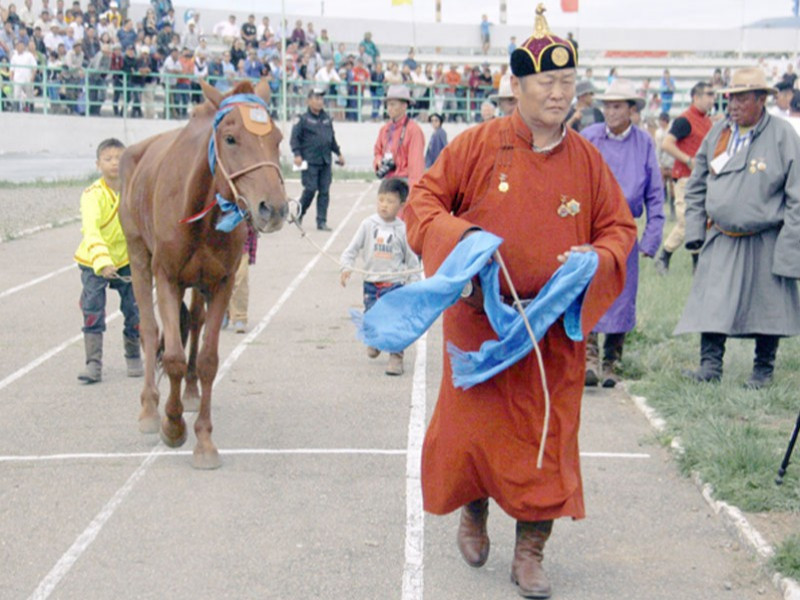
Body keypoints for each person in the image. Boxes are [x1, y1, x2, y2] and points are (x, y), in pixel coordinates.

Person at [402, 6, 636, 598]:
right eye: (546, 82)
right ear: (516, 86)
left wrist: (596, 260)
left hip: (551, 335)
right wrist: (464, 242)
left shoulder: (586, 159)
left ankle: (530, 551)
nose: (559, 94)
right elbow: (423, 205)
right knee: (473, 436)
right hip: (482, 325)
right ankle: (474, 511)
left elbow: (619, 230)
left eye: (567, 83)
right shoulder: (476, 146)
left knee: (547, 441)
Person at [675, 67, 800, 390]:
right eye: (731, 98)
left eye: (742, 98)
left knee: (768, 304)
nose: (733, 105)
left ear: (761, 99)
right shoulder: (718, 135)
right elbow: (697, 184)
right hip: (722, 235)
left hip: (766, 236)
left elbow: (796, 194)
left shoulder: (783, 134)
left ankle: (763, 370)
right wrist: (694, 232)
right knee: (711, 300)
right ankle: (710, 364)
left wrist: (790, 246)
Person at [581, 80, 665, 387]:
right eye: (607, 106)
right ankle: (588, 357)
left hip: (625, 229)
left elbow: (656, 194)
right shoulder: (588, 137)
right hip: (591, 229)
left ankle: (612, 361)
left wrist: (652, 237)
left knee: (622, 294)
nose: (610, 112)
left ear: (632, 110)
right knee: (588, 289)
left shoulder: (644, 143)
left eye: (617, 106)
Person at [74, 138, 142, 384]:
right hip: (94, 259)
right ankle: (93, 363)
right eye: (108, 159)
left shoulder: (134, 189)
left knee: (135, 308)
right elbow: (91, 230)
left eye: (119, 158)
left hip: (126, 258)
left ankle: (133, 354)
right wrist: (102, 262)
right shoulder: (92, 195)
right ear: (98, 164)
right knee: (93, 309)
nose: (114, 163)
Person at [339, 177, 421, 376]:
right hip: (371, 284)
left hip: (394, 285)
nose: (384, 205)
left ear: (402, 205)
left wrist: (414, 286)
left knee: (395, 322)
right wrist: (346, 267)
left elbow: (412, 262)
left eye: (390, 201)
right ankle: (375, 341)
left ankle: (396, 357)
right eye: (381, 200)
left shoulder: (403, 229)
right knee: (373, 317)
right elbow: (351, 249)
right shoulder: (368, 225)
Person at [654, 81, 714, 275]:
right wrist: (688, 160)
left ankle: (697, 264)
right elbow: (667, 144)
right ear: (696, 97)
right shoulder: (684, 120)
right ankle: (665, 255)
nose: (713, 99)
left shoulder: (707, 121)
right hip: (687, 179)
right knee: (687, 222)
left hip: (702, 179)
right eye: (709, 94)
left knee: (700, 221)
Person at [290, 87, 345, 231]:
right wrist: (297, 154)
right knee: (310, 189)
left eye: (321, 99)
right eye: (316, 98)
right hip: (310, 161)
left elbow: (331, 138)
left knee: (325, 191)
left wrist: (338, 153)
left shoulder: (326, 118)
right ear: (309, 101)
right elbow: (294, 139)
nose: (320, 101)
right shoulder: (303, 119)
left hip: (325, 161)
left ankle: (321, 221)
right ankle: (299, 214)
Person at [373, 84, 425, 186]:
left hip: (404, 182)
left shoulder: (414, 131)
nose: (389, 108)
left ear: (404, 106)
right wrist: (378, 161)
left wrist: (413, 192)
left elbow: (416, 166)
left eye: (393, 105)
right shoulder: (384, 129)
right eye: (388, 105)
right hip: (387, 179)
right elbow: (377, 151)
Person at [226, 224, 258, 334]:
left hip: (241, 244)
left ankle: (240, 317)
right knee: (220, 281)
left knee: (241, 278)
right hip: (217, 243)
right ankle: (224, 311)